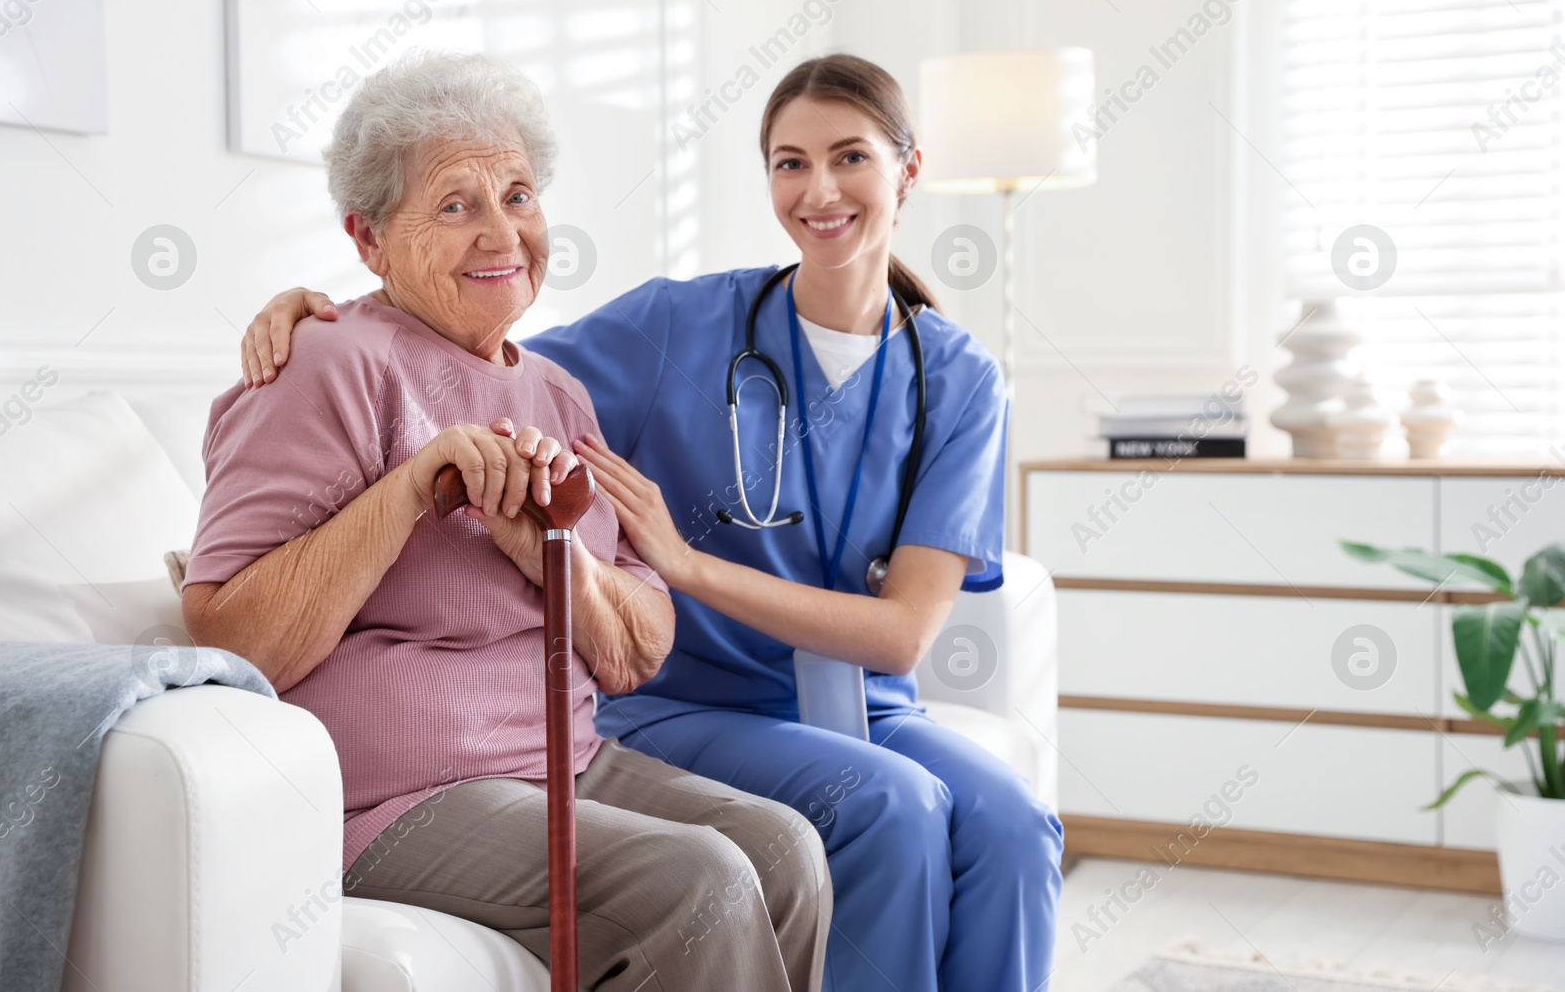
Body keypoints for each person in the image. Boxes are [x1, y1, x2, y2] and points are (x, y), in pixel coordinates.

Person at [237, 52, 1062, 992]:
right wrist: (317, 312)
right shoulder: (681, 325)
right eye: (790, 162)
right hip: (697, 699)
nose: (819, 188)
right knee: (896, 809)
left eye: (851, 157)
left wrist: (682, 562)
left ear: (908, 171)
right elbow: (470, 347)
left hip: (861, 701)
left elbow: (905, 632)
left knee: (1015, 824)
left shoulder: (958, 377)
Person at [182, 50, 830, 992]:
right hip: (393, 798)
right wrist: (407, 489)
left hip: (562, 760)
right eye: (455, 205)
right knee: (703, 880)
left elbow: (636, 648)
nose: (501, 233)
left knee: (786, 849)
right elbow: (233, 637)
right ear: (369, 240)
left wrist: (547, 553)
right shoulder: (327, 364)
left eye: (518, 195)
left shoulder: (558, 394)